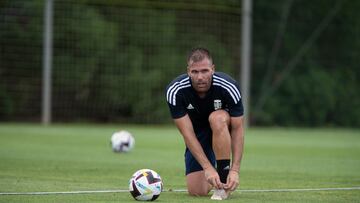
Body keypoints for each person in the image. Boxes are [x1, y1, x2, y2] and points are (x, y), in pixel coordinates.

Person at [165, 47, 245, 200]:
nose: (200, 77)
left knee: (217, 118)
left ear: (213, 69)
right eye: (195, 72)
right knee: (197, 190)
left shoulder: (228, 86)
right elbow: (187, 134)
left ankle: (223, 179)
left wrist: (235, 170)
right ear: (188, 71)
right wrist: (207, 168)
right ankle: (214, 169)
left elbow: (237, 129)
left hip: (222, 125)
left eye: (205, 71)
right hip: (198, 133)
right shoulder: (175, 90)